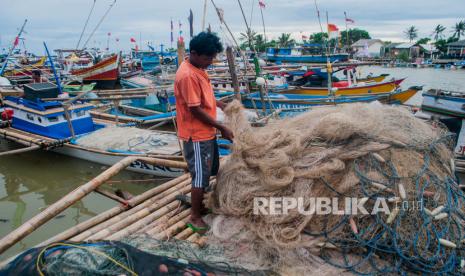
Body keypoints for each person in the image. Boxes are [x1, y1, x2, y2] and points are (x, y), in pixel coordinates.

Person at [174, 32, 234, 233]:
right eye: (208, 57)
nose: (211, 61)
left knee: (211, 169)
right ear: (194, 53)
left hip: (206, 131)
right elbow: (194, 108)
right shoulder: (188, 75)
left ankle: (199, 201)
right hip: (197, 134)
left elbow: (203, 98)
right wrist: (222, 127)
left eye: (212, 57)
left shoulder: (198, 68)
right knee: (200, 176)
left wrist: (220, 104)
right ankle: (195, 215)